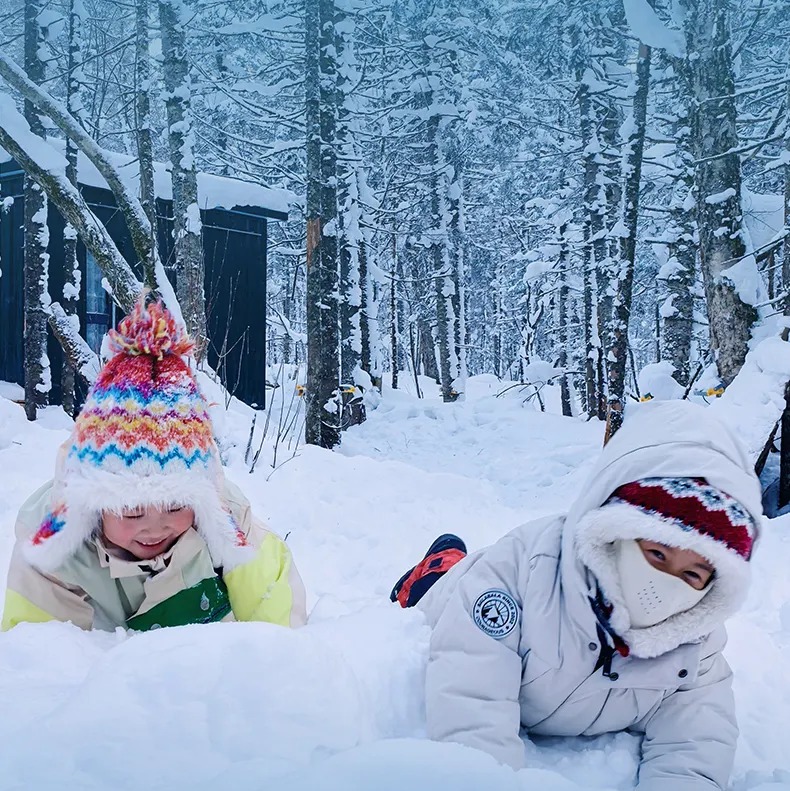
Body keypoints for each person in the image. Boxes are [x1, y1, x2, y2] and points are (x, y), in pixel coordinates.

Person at [392, 400, 762, 790]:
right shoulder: (521, 571)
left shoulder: (694, 644)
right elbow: (470, 694)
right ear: (615, 532)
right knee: (429, 591)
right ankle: (441, 562)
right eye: (656, 554)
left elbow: (696, 742)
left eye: (691, 573)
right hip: (459, 590)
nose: (666, 582)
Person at [2, 296, 306, 632]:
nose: (155, 526)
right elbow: (40, 657)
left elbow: (279, 628)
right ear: (93, 503)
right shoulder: (51, 550)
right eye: (132, 511)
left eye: (176, 506)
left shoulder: (229, 523)